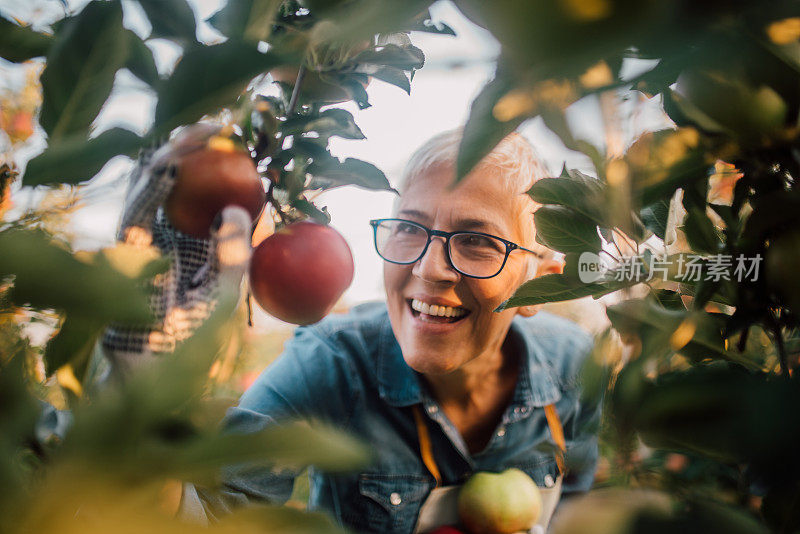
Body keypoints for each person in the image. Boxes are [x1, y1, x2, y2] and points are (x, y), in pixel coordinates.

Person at [176, 129, 601, 533]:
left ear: (538, 287)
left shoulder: (574, 364)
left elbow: (574, 505)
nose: (428, 268)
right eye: (410, 229)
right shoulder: (331, 364)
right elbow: (220, 515)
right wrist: (146, 388)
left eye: (477, 240)